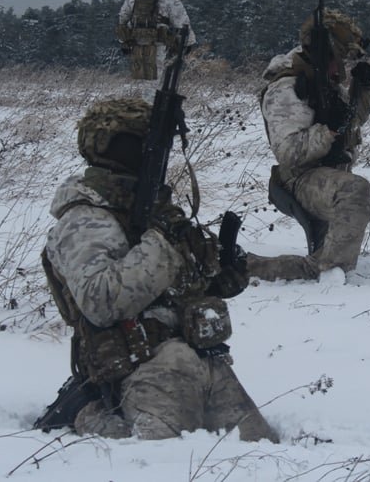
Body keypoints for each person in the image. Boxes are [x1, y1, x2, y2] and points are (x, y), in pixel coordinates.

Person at [43, 98, 277, 442]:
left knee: (260, 450)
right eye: (142, 142)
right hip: (144, 366)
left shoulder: (153, 209)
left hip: (204, 361)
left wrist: (221, 275)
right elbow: (101, 302)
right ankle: (93, 417)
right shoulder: (85, 218)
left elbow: (183, 285)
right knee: (164, 458)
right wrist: (162, 244)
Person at [247, 9, 370, 282]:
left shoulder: (324, 82)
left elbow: (352, 123)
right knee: (355, 190)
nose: (342, 66)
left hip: (324, 173)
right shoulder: (288, 86)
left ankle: (320, 261)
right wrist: (327, 130)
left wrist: (362, 90)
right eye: (341, 57)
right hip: (298, 178)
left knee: (351, 192)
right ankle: (326, 270)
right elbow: (288, 152)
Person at [117, 0, 196, 80]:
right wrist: (189, 42)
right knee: (155, 79)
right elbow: (181, 21)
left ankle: (140, 98)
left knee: (140, 78)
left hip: (136, 40)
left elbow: (123, 16)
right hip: (158, 41)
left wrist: (123, 40)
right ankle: (150, 98)